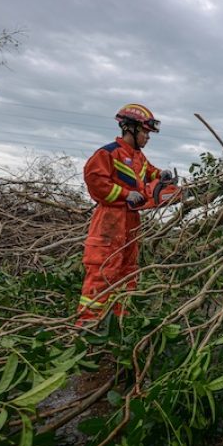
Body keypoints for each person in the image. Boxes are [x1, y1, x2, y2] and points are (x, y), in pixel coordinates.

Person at [76, 103, 177, 326]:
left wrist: (164, 176)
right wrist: (124, 194)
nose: (147, 137)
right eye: (145, 132)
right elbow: (95, 182)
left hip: (131, 223)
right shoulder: (108, 153)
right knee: (102, 273)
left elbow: (152, 174)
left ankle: (119, 325)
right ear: (130, 128)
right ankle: (87, 327)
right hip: (109, 222)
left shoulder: (138, 158)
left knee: (128, 273)